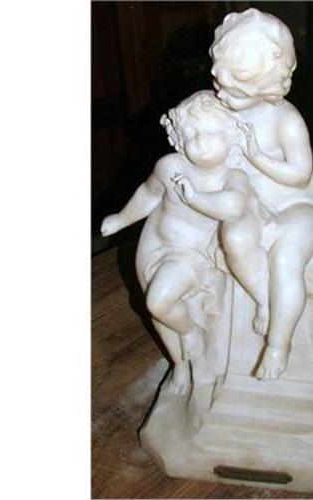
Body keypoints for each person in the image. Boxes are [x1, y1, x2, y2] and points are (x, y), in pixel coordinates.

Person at [101, 91, 258, 394]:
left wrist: (195, 198)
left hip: (192, 256)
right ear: (177, 137)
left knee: (158, 301)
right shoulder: (170, 166)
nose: (199, 142)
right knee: (156, 311)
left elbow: (233, 206)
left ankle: (189, 331)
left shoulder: (233, 176)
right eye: (191, 134)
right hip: (155, 246)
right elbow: (149, 193)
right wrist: (122, 219)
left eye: (210, 133)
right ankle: (180, 365)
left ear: (231, 136)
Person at [210, 8, 313, 380]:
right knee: (234, 239)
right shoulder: (223, 111)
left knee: (286, 259)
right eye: (219, 84)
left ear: (270, 83)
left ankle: (279, 344)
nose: (223, 95)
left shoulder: (285, 120)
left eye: (236, 91)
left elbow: (299, 174)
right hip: (252, 205)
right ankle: (264, 299)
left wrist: (256, 156)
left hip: (296, 206)